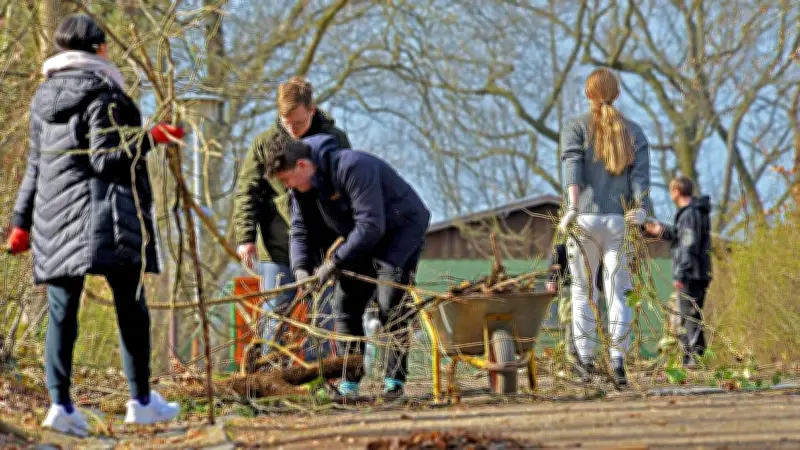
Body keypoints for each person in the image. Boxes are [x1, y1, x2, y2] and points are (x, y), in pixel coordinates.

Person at [5, 14, 182, 436]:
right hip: (107, 217)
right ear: (100, 48)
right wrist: (152, 137)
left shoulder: (43, 98)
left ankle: (60, 407)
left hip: (54, 219)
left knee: (61, 312)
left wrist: (20, 222)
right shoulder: (106, 94)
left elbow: (35, 165)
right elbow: (105, 159)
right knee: (131, 307)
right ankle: (141, 401)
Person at [265, 133, 431, 397]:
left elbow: (371, 225)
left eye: (286, 179)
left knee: (391, 305)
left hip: (400, 230)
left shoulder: (353, 167)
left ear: (302, 166)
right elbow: (300, 230)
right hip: (361, 236)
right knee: (345, 305)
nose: (287, 186)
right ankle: (350, 381)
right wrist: (301, 269)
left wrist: (333, 263)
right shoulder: (301, 189)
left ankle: (394, 383)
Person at [233, 76, 351, 354]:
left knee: (323, 317)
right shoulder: (264, 143)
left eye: (297, 123)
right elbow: (247, 191)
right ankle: (270, 371)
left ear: (312, 111)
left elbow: (348, 191)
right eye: (286, 123)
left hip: (324, 247)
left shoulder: (335, 141)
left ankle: (317, 373)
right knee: (274, 316)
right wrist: (245, 238)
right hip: (278, 246)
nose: (292, 129)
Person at [558, 68, 652, 386]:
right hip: (619, 221)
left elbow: (572, 165)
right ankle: (618, 362)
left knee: (584, 292)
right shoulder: (634, 131)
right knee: (618, 293)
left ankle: (585, 362)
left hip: (584, 219)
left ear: (588, 94)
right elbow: (640, 178)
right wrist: (641, 210)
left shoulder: (575, 127)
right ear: (617, 94)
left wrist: (572, 207)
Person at [644, 176, 712, 368]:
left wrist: (681, 273)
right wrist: (663, 231)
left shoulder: (689, 214)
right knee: (691, 316)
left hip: (691, 273)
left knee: (688, 317)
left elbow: (688, 245)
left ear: (676, 191)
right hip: (698, 271)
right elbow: (682, 237)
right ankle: (693, 358)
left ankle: (693, 358)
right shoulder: (694, 213)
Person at [546, 243, 604, 366]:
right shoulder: (566, 246)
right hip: (571, 287)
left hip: (588, 288)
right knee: (572, 322)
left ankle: (584, 357)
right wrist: (552, 279)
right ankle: (575, 358)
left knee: (586, 322)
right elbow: (557, 259)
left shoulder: (594, 244)